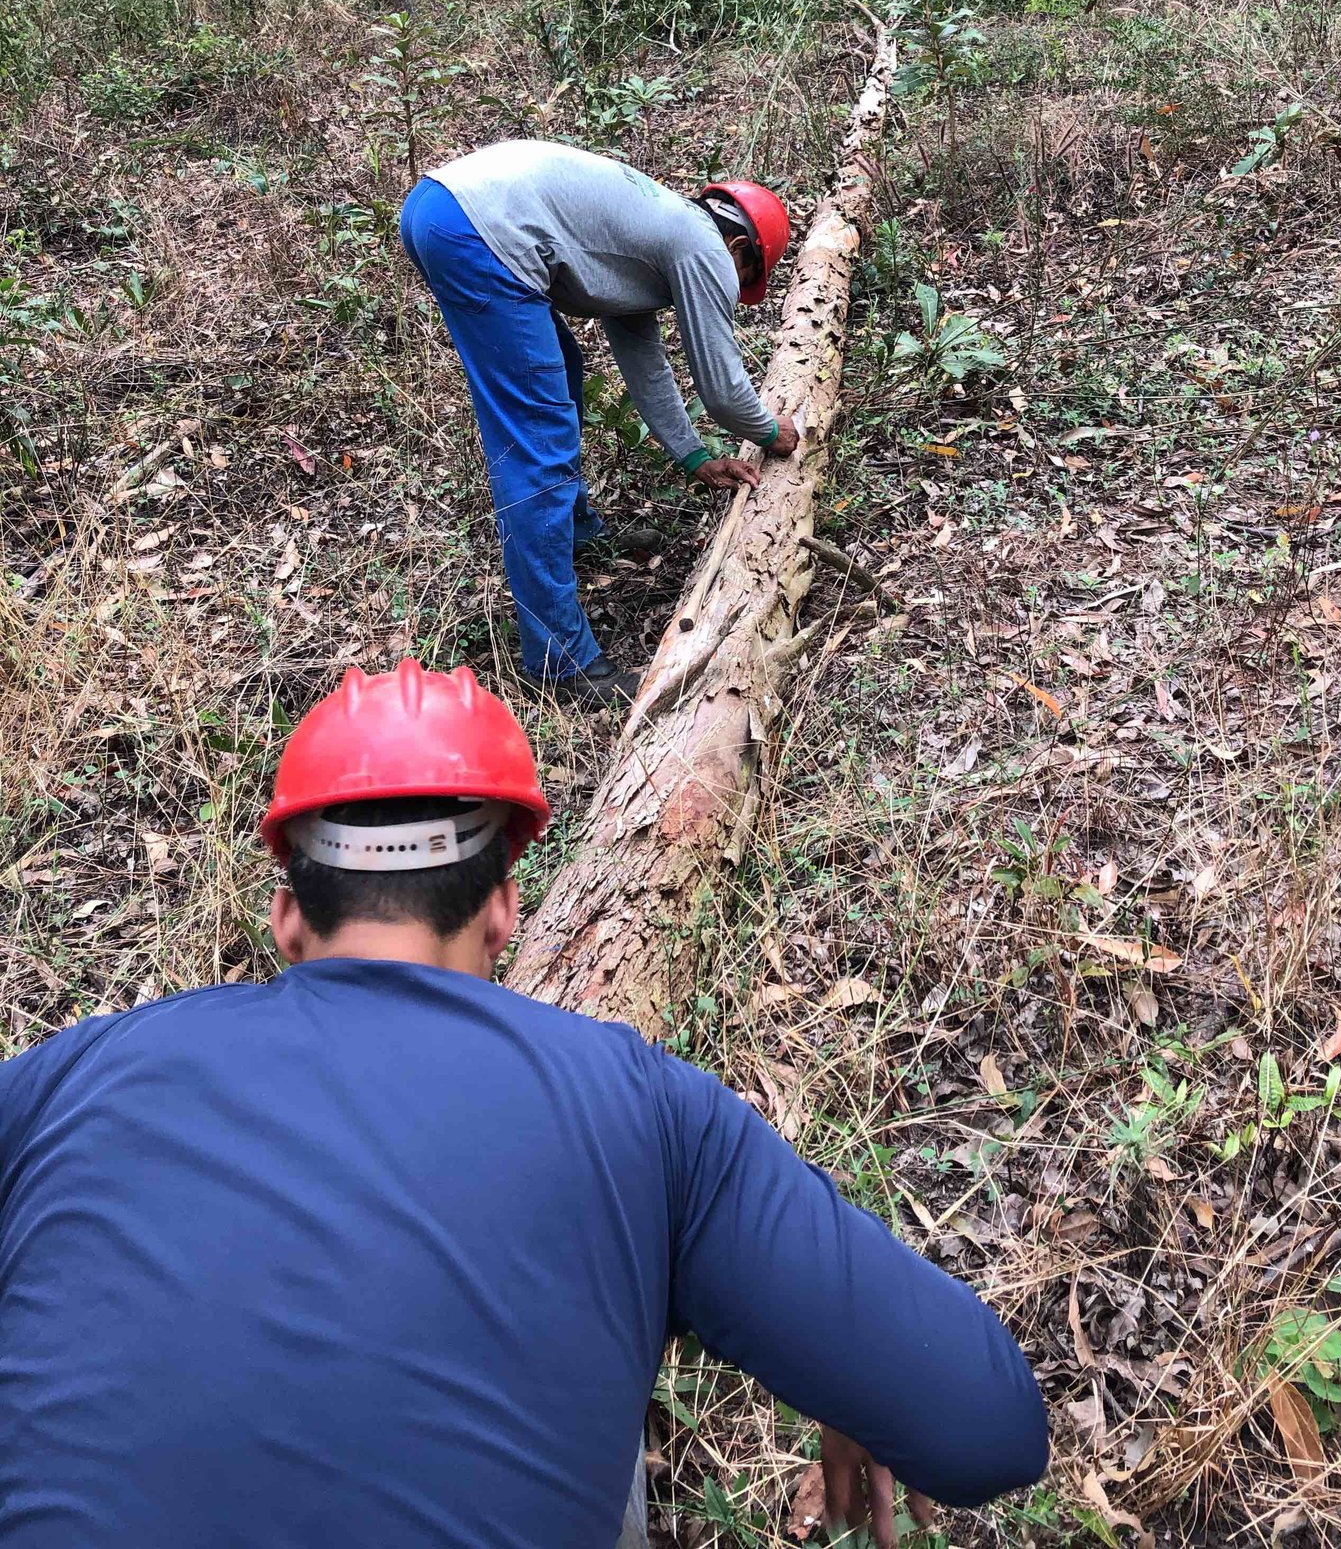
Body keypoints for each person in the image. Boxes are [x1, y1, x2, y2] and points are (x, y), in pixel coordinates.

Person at [0, 661, 1049, 1548]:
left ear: (286, 916)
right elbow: (985, 1428)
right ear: (503, 910)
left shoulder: (69, 1079)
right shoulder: (643, 1109)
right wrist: (854, 1373)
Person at [401, 141, 801, 708]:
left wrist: (692, 454)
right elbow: (722, 390)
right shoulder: (703, 247)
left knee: (559, 373)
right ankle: (561, 662)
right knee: (537, 442)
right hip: (479, 226)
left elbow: (645, 364)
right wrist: (769, 431)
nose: (730, 290)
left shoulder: (650, 243)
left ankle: (578, 533)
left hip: (440, 206)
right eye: (743, 279)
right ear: (738, 248)